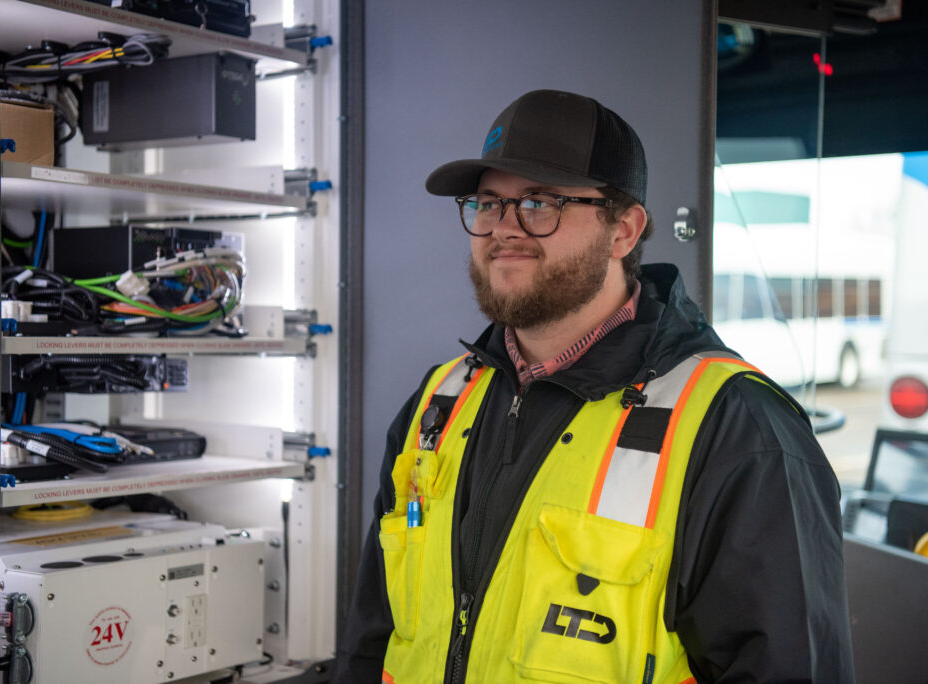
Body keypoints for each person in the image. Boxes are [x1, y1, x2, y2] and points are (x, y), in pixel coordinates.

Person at [334, 89, 854, 683]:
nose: (504, 228)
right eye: (487, 203)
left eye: (540, 203)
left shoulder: (737, 429)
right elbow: (371, 638)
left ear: (624, 231)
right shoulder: (438, 403)